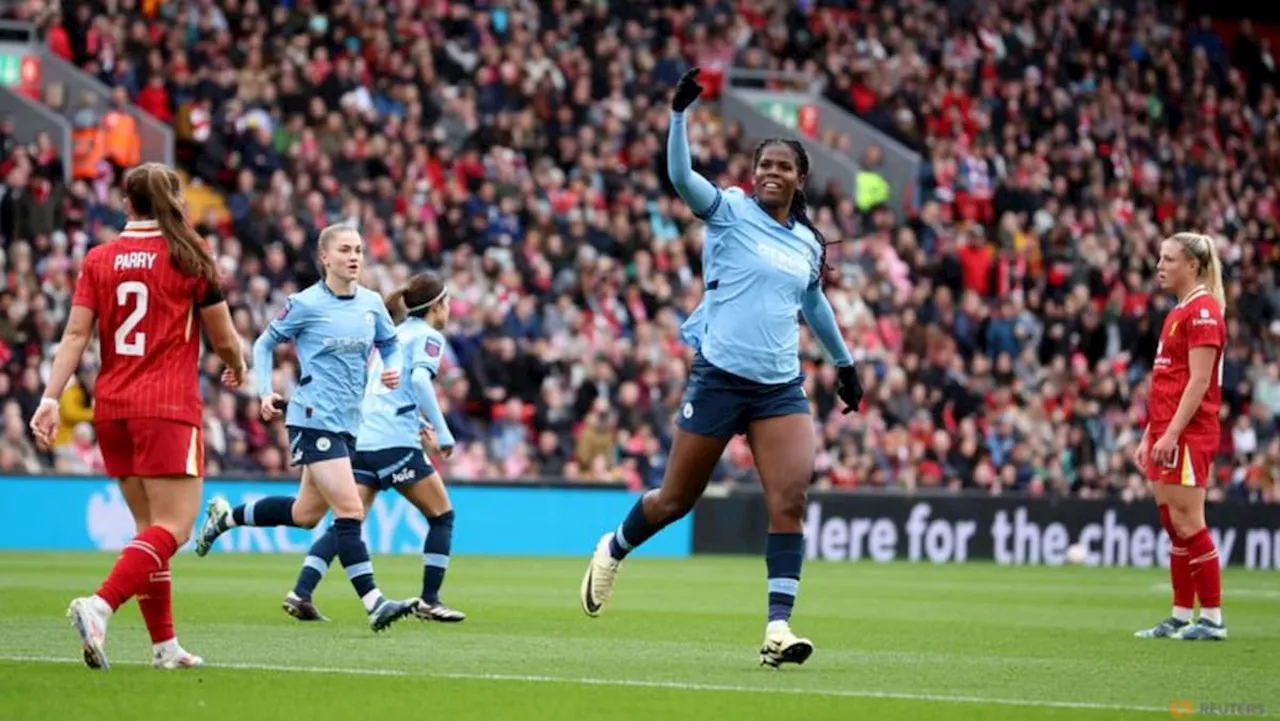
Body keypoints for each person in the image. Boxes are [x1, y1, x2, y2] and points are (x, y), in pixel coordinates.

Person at [579, 69, 864, 668]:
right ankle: (613, 547)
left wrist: (845, 362)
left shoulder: (807, 244)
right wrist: (678, 116)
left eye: (783, 167)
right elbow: (683, 179)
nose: (771, 173)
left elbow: (812, 303)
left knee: (790, 498)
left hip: (779, 387)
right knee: (675, 500)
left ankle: (778, 630)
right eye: (764, 164)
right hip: (719, 378)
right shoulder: (731, 211)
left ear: (800, 178)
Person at [30, 162, 247, 670]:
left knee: (149, 528)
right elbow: (223, 337)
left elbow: (75, 337)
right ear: (173, 200)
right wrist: (237, 366)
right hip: (167, 407)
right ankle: (99, 606)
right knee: (176, 527)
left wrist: (49, 397)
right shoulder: (190, 254)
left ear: (126, 203)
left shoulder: (100, 259)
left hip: (112, 409)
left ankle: (164, 647)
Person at [192, 224, 417, 632]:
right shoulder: (305, 304)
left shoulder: (371, 304)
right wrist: (263, 391)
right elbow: (263, 344)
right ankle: (374, 603)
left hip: (348, 423)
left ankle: (225, 518)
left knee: (305, 514)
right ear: (325, 258)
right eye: (346, 250)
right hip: (312, 418)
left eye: (360, 250)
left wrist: (394, 367)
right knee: (350, 509)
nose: (355, 257)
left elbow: (390, 343)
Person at [282, 271, 465, 624]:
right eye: (447, 302)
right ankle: (430, 599)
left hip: (364, 437)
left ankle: (301, 591)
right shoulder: (428, 336)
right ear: (437, 306)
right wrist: (442, 432)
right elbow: (419, 381)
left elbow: (381, 386)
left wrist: (413, 418)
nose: (450, 310)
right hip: (393, 441)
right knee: (442, 515)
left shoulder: (392, 334)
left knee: (348, 520)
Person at [1134, 232, 1228, 641]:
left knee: (1190, 522)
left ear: (1192, 265)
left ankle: (1211, 618)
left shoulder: (1204, 310)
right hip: (1166, 430)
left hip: (1188, 432)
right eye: (1160, 257)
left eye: (1168, 259)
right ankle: (1178, 615)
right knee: (1173, 524)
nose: (1160, 266)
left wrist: (1171, 433)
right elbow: (1166, 381)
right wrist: (1148, 433)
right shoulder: (1178, 311)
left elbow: (1199, 381)